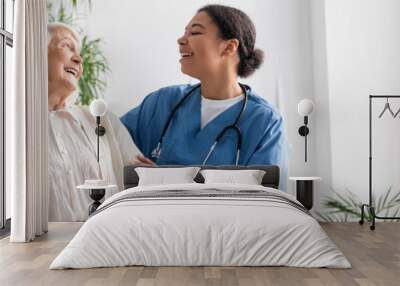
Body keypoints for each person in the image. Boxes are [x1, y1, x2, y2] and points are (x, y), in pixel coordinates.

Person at [121, 4, 288, 189]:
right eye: (185, 32)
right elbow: (107, 138)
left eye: (194, 33)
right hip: (152, 216)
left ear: (229, 47)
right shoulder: (163, 102)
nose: (181, 40)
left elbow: (265, 199)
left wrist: (166, 182)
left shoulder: (265, 122)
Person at [47, 22, 141, 221]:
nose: (78, 58)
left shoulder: (100, 119)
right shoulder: (14, 124)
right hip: (44, 247)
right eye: (66, 46)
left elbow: (141, 176)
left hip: (102, 240)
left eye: (78, 52)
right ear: (34, 52)